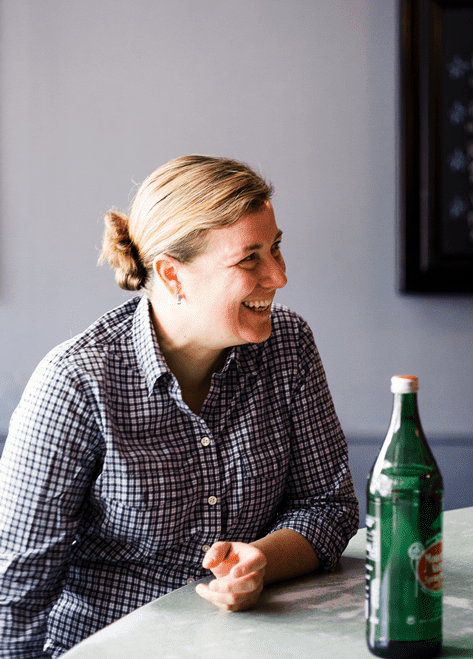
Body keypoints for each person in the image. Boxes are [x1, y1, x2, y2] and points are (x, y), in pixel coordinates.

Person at [0, 155, 359, 658]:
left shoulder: (289, 346)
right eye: (249, 258)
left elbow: (329, 507)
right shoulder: (76, 384)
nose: (279, 275)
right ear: (172, 275)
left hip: (254, 645)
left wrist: (258, 561)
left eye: (276, 247)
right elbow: (14, 597)